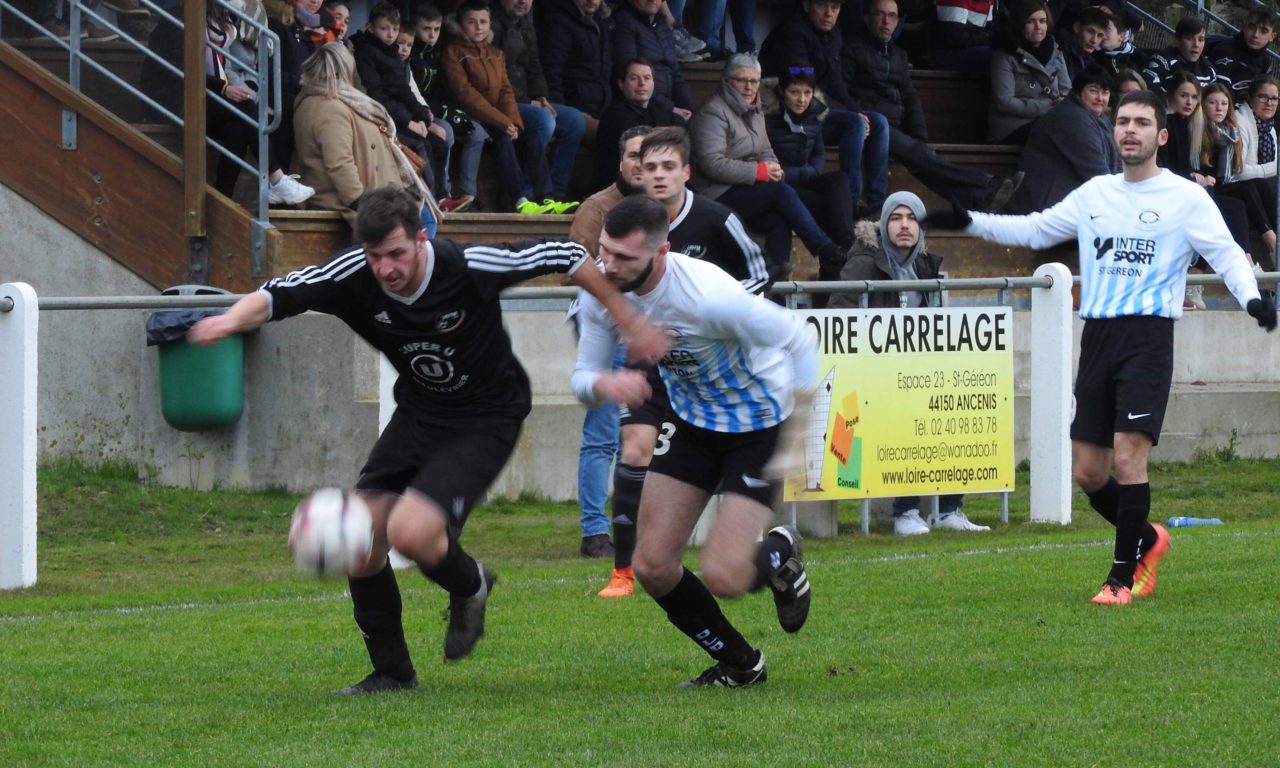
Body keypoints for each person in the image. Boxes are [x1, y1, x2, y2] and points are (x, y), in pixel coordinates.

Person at [186, 185, 664, 694]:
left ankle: (471, 586)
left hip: (487, 415)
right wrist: (226, 321)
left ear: (421, 239)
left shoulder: (468, 265)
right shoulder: (351, 276)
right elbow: (276, 295)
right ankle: (393, 673)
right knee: (359, 545)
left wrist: (627, 316)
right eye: (375, 257)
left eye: (396, 253)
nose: (386, 268)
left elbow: (568, 254)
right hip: (421, 413)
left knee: (413, 534)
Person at [936, 89, 1276, 605]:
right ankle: (1148, 537)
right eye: (1122, 122)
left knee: (1127, 455)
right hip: (1097, 335)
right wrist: (969, 221)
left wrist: (1252, 300)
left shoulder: (1185, 197)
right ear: (1113, 131)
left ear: (1161, 136)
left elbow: (1227, 254)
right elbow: (1034, 229)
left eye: (1141, 122)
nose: (1130, 130)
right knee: (1088, 473)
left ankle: (1120, 578)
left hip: (1148, 336)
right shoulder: (1095, 192)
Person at [572, 194, 816, 685]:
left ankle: (778, 555)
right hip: (689, 423)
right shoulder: (603, 292)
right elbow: (582, 376)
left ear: (661, 252)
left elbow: (799, 338)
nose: (608, 266)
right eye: (604, 251)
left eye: (624, 257)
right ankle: (742, 665)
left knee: (725, 577)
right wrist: (606, 384)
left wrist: (805, 428)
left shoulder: (709, 297)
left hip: (758, 425)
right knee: (652, 565)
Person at [829, 192, 990, 534]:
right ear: (884, 224)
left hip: (919, 370)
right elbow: (839, 313)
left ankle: (948, 509)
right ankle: (905, 511)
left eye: (912, 218)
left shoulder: (924, 264)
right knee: (906, 416)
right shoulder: (864, 262)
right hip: (873, 376)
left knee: (958, 408)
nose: (904, 225)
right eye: (896, 217)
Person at [843, 0, 1023, 212]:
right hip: (871, 125)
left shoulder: (898, 54)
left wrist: (919, 135)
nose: (886, 21)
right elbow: (840, 93)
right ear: (866, 18)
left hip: (895, 128)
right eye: (880, 15)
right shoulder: (851, 50)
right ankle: (985, 184)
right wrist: (860, 115)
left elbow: (910, 96)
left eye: (892, 16)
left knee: (922, 159)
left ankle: (975, 198)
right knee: (922, 157)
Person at [569, 125, 654, 562]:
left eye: (650, 156)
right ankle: (595, 531)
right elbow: (576, 267)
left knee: (647, 434)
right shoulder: (597, 207)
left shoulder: (664, 206)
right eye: (635, 155)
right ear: (620, 161)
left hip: (652, 330)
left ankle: (641, 523)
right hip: (605, 327)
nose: (642, 164)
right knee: (603, 433)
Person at [689, 54, 847, 286]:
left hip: (746, 188)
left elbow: (766, 150)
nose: (749, 86)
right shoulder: (713, 112)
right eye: (741, 80)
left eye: (754, 81)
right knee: (778, 192)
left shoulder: (755, 110)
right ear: (726, 81)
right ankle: (826, 250)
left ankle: (776, 287)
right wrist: (759, 172)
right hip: (717, 193)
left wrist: (774, 168)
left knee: (778, 219)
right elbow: (711, 164)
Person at [138, 2, 315, 206]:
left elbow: (224, 66)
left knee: (237, 130)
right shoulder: (181, 19)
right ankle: (276, 179)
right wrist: (223, 88)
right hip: (169, 97)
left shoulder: (221, 21)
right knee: (245, 106)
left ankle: (222, 201)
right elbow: (181, 73)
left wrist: (227, 88)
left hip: (201, 95)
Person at [292, 42, 438, 234]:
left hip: (376, 195)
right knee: (425, 224)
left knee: (426, 218)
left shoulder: (331, 101)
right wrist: (364, 207)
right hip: (361, 202)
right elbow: (340, 163)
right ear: (346, 70)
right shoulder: (329, 107)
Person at [759, 0, 891, 213]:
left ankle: (877, 201)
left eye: (835, 7)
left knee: (879, 122)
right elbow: (802, 86)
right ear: (807, 6)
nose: (829, 13)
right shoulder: (791, 32)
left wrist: (855, 110)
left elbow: (836, 86)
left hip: (816, 106)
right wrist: (854, 116)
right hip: (787, 110)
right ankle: (852, 200)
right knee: (854, 123)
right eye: (822, 6)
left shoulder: (834, 34)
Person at [441, 0, 555, 213]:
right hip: (472, 117)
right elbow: (466, 95)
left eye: (483, 22)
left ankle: (546, 199)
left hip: (496, 117)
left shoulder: (495, 52)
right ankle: (520, 200)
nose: (478, 27)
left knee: (531, 140)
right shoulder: (453, 51)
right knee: (503, 140)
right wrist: (504, 123)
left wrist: (514, 122)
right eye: (471, 22)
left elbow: (506, 91)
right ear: (460, 24)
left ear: (490, 23)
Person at [491, 0, 587, 209]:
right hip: (500, 103)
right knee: (544, 121)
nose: (522, 1)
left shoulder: (526, 24)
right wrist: (529, 101)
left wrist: (541, 95)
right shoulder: (489, 24)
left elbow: (534, 67)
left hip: (526, 99)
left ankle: (555, 194)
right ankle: (525, 194)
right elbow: (494, 81)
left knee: (574, 121)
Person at [761, 67, 856, 250]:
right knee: (830, 205)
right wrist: (806, 172)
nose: (802, 99)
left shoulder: (814, 115)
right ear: (782, 91)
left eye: (807, 92)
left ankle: (846, 244)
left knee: (839, 180)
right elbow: (771, 166)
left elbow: (818, 154)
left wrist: (811, 171)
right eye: (794, 92)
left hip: (806, 178)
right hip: (780, 185)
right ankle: (840, 255)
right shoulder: (767, 119)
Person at [1004, 64, 1119, 215]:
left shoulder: (1100, 119)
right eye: (1093, 91)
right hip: (1045, 210)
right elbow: (1096, 172)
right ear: (1078, 92)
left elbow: (1120, 164)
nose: (1100, 98)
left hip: (1069, 206)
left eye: (1105, 92)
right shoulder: (1071, 117)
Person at [408, 2, 484, 213]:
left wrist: (453, 112)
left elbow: (447, 90)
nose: (432, 35)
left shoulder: (440, 52)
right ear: (415, 28)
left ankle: (469, 195)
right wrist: (436, 113)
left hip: (438, 110)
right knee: (445, 133)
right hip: (419, 113)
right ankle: (444, 194)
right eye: (426, 29)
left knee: (477, 132)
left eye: (436, 29)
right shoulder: (409, 53)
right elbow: (410, 94)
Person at [987, 0, 1070, 145]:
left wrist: (1064, 102)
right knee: (1061, 136)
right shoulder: (1005, 56)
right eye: (1031, 21)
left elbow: (1066, 90)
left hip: (1052, 119)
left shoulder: (1055, 51)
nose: (1038, 27)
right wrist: (1047, 107)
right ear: (1019, 24)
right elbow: (1004, 102)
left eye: (1042, 21)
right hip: (1014, 125)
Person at [594, 58, 681, 190]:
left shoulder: (658, 110)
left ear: (653, 83)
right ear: (621, 84)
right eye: (634, 78)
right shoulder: (616, 115)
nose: (642, 84)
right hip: (620, 190)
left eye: (647, 78)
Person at [535, 0, 616, 141]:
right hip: (574, 109)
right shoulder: (558, 21)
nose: (591, 1)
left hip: (602, 109)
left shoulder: (603, 22)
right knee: (618, 139)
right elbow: (552, 70)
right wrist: (561, 112)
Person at [611, 0, 695, 119]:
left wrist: (688, 108)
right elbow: (629, 77)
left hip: (667, 107)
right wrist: (671, 109)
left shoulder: (662, 24)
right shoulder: (623, 22)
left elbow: (676, 74)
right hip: (639, 109)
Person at [1207, 9, 1279, 99]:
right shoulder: (1226, 50)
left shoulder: (1264, 60)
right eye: (1251, 27)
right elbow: (1219, 91)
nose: (1255, 34)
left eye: (1263, 31)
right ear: (1244, 28)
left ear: (1272, 37)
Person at [1141, 16, 1218, 95]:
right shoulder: (1162, 61)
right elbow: (1147, 87)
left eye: (1201, 39)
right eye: (1189, 39)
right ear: (1178, 40)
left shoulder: (1209, 69)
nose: (1196, 45)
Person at [928, 0, 994, 75]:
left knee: (1003, 54)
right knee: (996, 57)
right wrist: (990, 39)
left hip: (972, 48)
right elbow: (955, 38)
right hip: (946, 54)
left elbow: (990, 31)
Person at [1056, 5, 1108, 83]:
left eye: (1100, 35)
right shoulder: (1058, 49)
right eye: (1090, 31)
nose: (1094, 40)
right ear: (1077, 27)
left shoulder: (1089, 61)